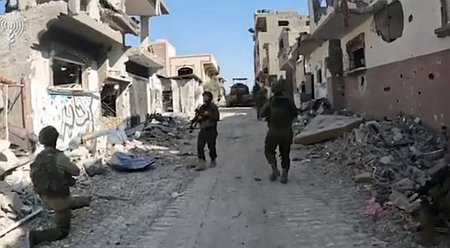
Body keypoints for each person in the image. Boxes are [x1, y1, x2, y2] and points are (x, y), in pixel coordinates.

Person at [27, 126, 91, 247]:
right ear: (55, 140)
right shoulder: (59, 157)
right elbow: (76, 171)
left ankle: (69, 206)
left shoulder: (39, 157)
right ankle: (35, 236)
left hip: (44, 196)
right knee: (63, 231)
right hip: (58, 198)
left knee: (69, 202)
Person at [260, 81, 298, 184]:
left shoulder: (271, 102)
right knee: (285, 153)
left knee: (268, 150)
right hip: (287, 131)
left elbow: (262, 113)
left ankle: (274, 169)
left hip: (274, 131)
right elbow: (295, 113)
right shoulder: (288, 101)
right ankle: (284, 173)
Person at [196, 91, 220, 171]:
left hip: (211, 130)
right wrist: (199, 118)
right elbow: (198, 117)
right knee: (200, 146)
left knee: (211, 146)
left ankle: (213, 160)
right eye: (204, 96)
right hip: (203, 129)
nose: (204, 98)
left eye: (206, 96)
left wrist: (209, 115)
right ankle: (202, 161)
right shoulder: (202, 107)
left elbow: (217, 117)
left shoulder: (213, 107)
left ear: (210, 97)